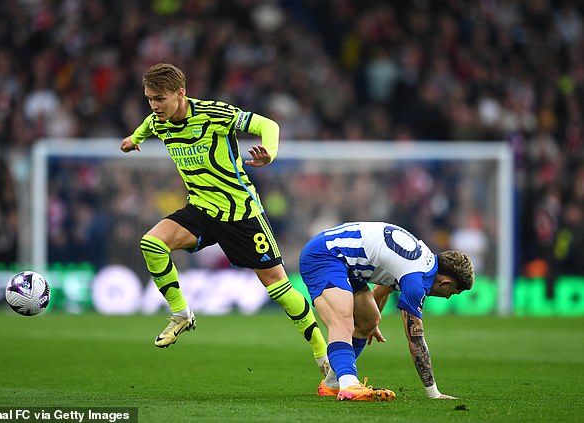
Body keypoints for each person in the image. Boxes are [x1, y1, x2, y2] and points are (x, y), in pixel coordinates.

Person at [120, 63, 328, 375]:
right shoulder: (157, 121)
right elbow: (147, 126)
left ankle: (324, 358)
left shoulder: (214, 114)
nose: (153, 105)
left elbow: (268, 125)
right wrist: (133, 139)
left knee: (278, 288)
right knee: (152, 243)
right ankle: (181, 314)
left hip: (241, 212)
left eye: (159, 99)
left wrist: (270, 152)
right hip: (201, 209)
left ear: (181, 93)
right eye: (149, 98)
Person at [299, 221, 475, 401]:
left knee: (369, 319)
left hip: (345, 263)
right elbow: (416, 342)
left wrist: (369, 321)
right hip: (325, 256)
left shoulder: (424, 263)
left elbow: (384, 288)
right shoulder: (417, 280)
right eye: (452, 292)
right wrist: (433, 393)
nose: (448, 297)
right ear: (445, 282)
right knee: (343, 320)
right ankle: (349, 384)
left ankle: (332, 384)